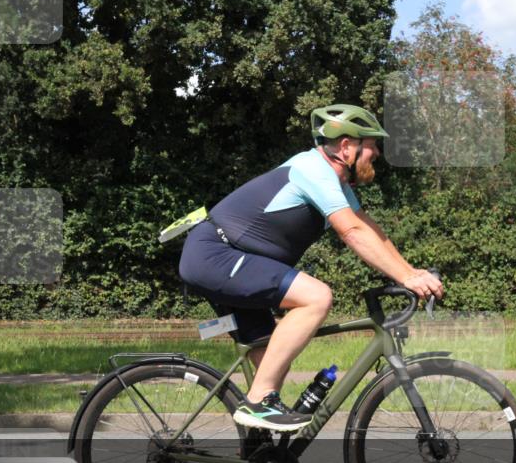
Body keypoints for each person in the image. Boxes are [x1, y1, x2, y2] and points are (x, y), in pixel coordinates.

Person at [178, 104, 444, 432]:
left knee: (270, 361)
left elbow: (369, 229)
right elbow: (352, 232)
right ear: (346, 146)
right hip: (216, 254)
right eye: (372, 143)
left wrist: (412, 272)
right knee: (317, 297)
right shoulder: (312, 170)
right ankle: (259, 401)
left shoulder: (336, 183)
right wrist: (405, 276)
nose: (376, 151)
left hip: (232, 259)